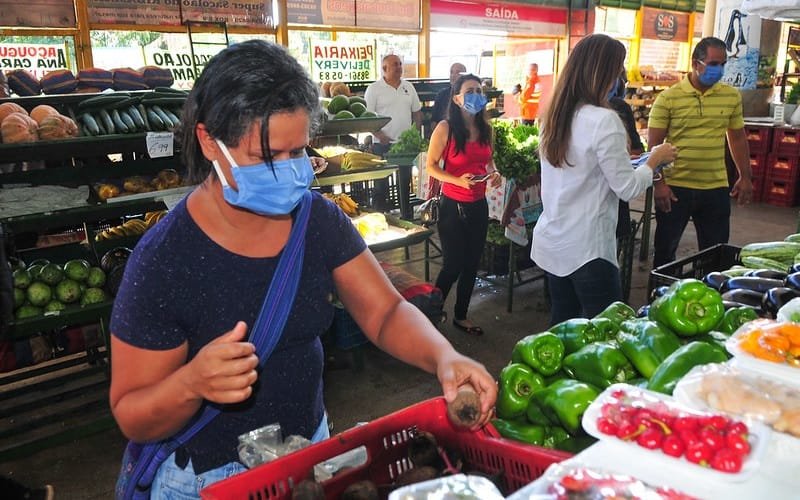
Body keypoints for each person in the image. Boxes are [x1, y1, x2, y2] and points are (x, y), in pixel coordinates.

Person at [108, 40, 497, 498]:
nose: (291, 171)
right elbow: (132, 411)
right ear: (209, 142)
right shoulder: (164, 259)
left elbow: (385, 313)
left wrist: (443, 356)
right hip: (206, 482)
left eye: (299, 151)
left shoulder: (316, 220)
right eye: (269, 157)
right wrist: (191, 384)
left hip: (307, 459)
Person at [531, 34, 677, 325]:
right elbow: (627, 188)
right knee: (609, 332)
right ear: (602, 72)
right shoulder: (603, 120)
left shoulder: (554, 115)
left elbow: (583, 170)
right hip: (588, 250)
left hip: (554, 241)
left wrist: (635, 163)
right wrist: (655, 159)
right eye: (618, 69)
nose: (620, 77)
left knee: (563, 327)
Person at [648, 36, 753, 267]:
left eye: (723, 64)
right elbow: (653, 147)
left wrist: (745, 176)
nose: (719, 69)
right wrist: (659, 184)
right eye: (713, 63)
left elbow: (736, 137)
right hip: (676, 188)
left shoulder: (731, 96)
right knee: (665, 254)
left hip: (715, 187)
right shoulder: (668, 98)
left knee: (716, 255)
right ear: (696, 63)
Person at [425, 74, 501, 336]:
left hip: (478, 204)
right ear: (456, 98)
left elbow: (488, 161)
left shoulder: (486, 129)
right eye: (469, 91)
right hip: (452, 206)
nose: (475, 95)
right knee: (452, 264)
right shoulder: (445, 128)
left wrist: (494, 172)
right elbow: (431, 167)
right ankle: (430, 314)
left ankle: (461, 315)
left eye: (479, 90)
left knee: (471, 263)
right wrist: (457, 179)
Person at [607, 73, 645, 242]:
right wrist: (652, 163)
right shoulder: (615, 110)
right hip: (608, 207)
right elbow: (628, 188)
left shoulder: (561, 108)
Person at [364, 54, 423, 156]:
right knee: (385, 172)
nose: (399, 67)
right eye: (395, 64)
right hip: (382, 144)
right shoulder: (373, 89)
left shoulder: (409, 86)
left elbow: (417, 113)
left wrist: (415, 134)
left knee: (405, 172)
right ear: (384, 68)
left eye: (400, 64)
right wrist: (380, 136)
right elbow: (367, 118)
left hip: (405, 144)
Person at [430, 62, 467, 131]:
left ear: (465, 76)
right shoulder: (441, 94)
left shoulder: (468, 96)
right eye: (451, 72)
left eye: (457, 72)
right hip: (443, 133)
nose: (453, 75)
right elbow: (434, 121)